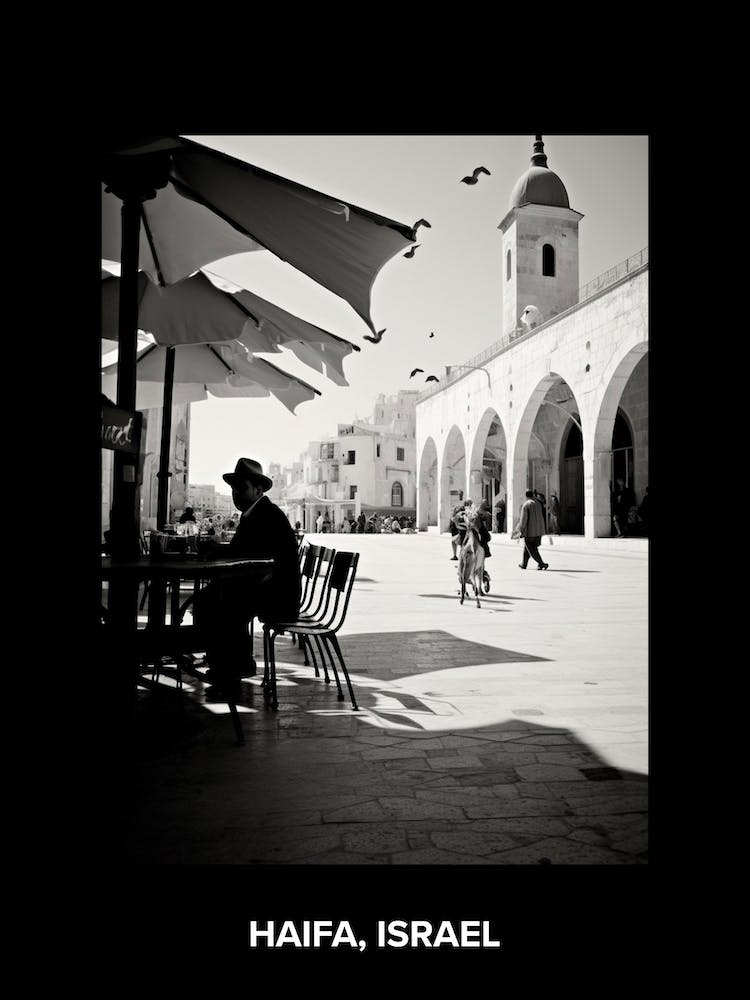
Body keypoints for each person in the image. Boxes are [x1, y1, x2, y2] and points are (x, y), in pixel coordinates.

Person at [192, 458, 302, 700]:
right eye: (233, 489)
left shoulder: (264, 516)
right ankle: (233, 664)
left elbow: (245, 554)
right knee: (211, 598)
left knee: (216, 604)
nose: (235, 494)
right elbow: (241, 552)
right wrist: (218, 549)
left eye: (241, 488)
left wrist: (216, 550)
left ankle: (227, 672)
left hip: (278, 596)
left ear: (258, 490)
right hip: (266, 587)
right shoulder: (256, 513)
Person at [518, 489, 548, 570]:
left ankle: (541, 563)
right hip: (539, 531)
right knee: (528, 547)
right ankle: (524, 564)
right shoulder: (538, 503)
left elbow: (523, 520)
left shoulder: (526, 504)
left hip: (530, 531)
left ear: (526, 496)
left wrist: (520, 530)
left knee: (531, 549)